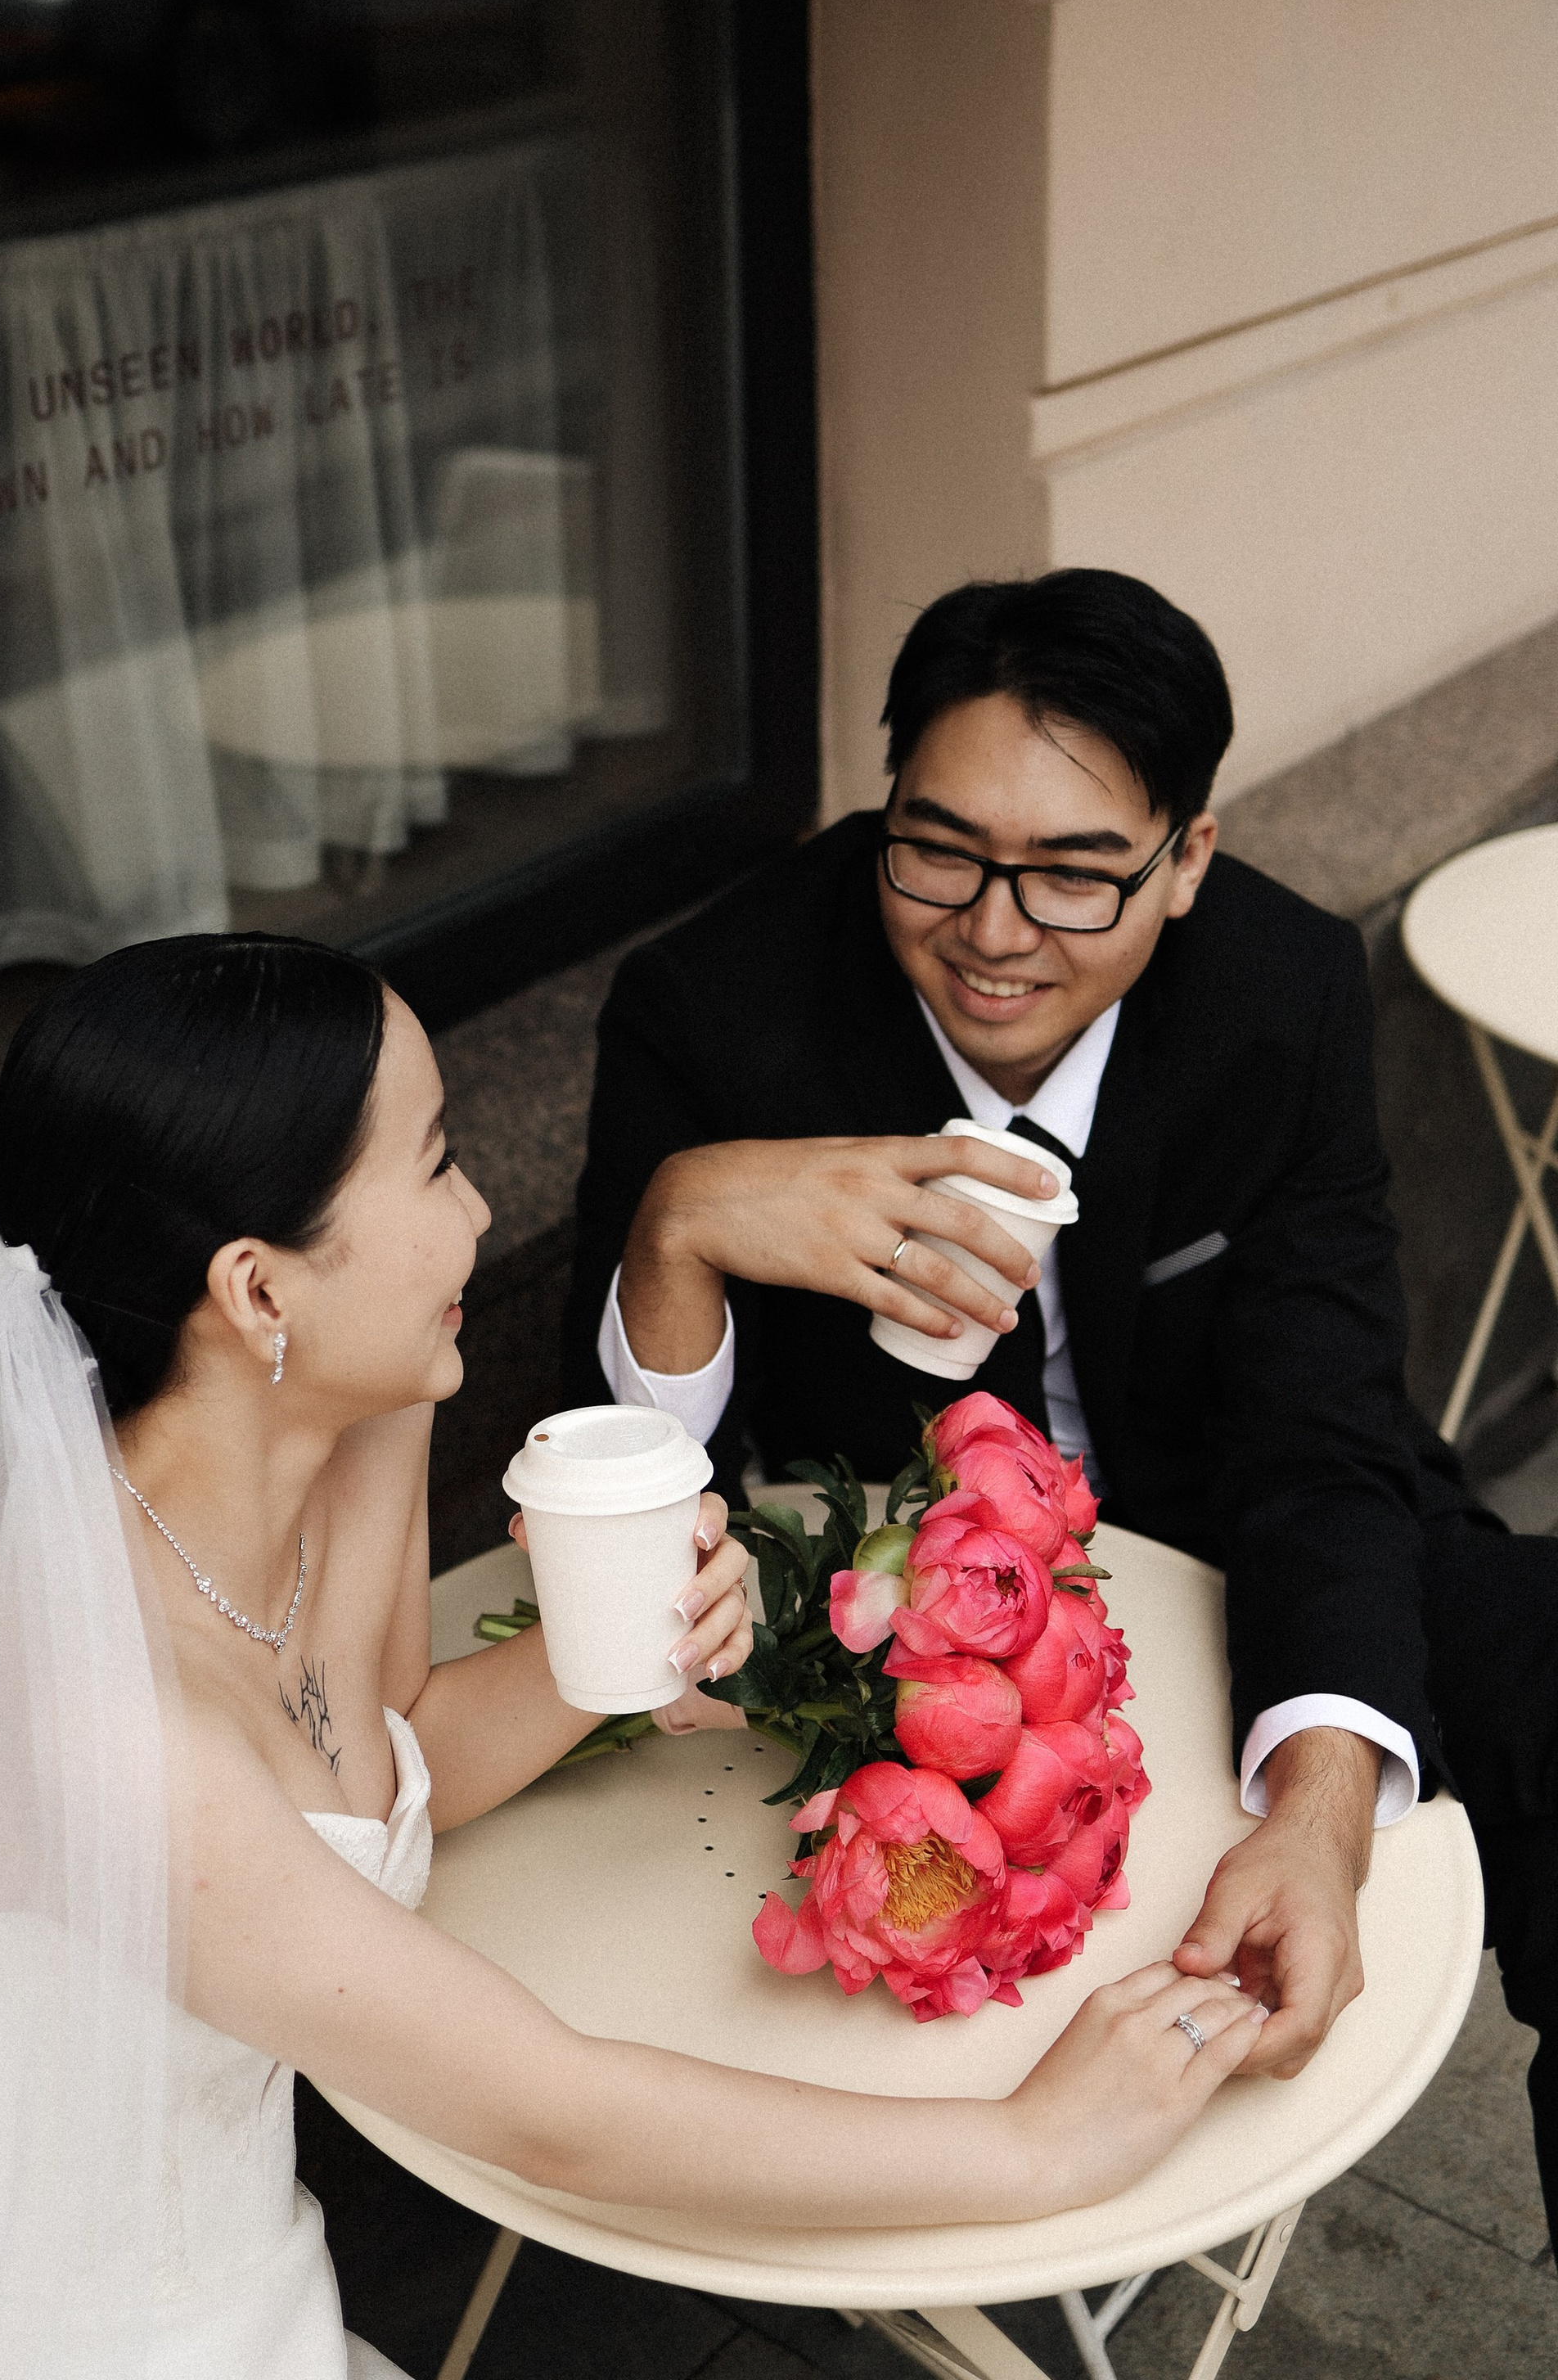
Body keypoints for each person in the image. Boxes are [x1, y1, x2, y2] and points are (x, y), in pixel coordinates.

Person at [0, 930, 1266, 2378]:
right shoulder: (94, 1716)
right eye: (437, 1162)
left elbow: (381, 1752)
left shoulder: (347, 1433)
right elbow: (543, 2115)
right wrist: (1033, 2149)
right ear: (259, 1290)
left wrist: (596, 1665)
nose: (479, 1213)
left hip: (251, 2286)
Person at [568, 566, 1558, 2238]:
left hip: (1235, 1524)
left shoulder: (1281, 987)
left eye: (1075, 873)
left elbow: (1321, 1431)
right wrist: (679, 1224)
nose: (993, 927)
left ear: (1185, 862)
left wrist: (1318, 1815)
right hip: (877, 1610)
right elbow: (644, 1503)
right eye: (936, 847)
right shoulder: (712, 1007)